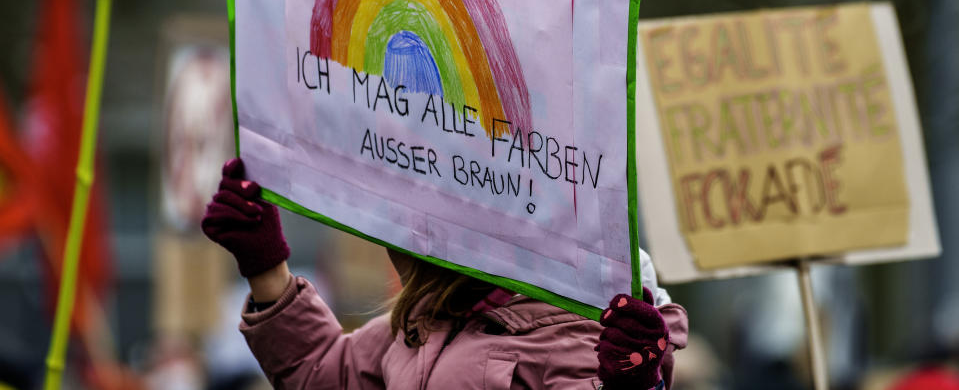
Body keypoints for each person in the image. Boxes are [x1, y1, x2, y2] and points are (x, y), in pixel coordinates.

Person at [202, 158, 688, 389]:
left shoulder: (576, 329)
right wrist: (266, 270)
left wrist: (630, 387)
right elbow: (323, 374)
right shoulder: (424, 321)